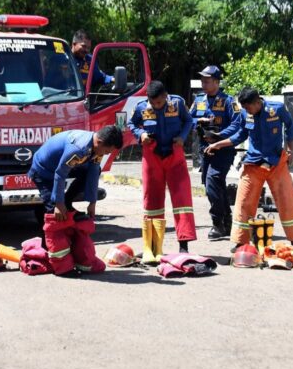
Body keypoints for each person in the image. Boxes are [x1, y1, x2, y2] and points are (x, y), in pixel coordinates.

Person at [205, 87, 293, 250]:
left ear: (257, 102)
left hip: (276, 163)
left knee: (287, 200)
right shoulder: (245, 114)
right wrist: (218, 144)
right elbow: (240, 135)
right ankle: (240, 242)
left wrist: (290, 150)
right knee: (243, 202)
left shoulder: (277, 108)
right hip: (253, 164)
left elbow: (290, 126)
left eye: (248, 107)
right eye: (244, 108)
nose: (246, 111)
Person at [128, 80, 196, 260]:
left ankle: (184, 245)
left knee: (182, 199)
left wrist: (182, 137)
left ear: (166, 96)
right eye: (153, 103)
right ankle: (152, 247)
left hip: (175, 155)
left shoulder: (178, 103)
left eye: (159, 102)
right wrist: (140, 134)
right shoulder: (141, 107)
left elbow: (189, 121)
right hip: (152, 156)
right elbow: (131, 123)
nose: (156, 106)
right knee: (152, 200)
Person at [189, 65, 244, 240]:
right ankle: (227, 221)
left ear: (217, 82)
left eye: (207, 81)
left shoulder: (229, 101)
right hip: (205, 150)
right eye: (202, 80)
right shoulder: (198, 100)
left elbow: (237, 124)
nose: (204, 84)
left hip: (223, 150)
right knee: (212, 184)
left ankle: (217, 223)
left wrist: (219, 136)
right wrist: (199, 120)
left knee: (213, 181)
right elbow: (187, 119)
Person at [28, 126, 123, 221]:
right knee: (56, 212)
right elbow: (60, 174)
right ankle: (51, 233)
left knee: (94, 170)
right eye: (106, 151)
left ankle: (67, 202)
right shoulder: (78, 148)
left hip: (60, 167)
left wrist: (92, 202)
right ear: (99, 142)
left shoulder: (97, 147)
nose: (106, 154)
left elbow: (93, 172)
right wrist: (59, 203)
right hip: (43, 170)